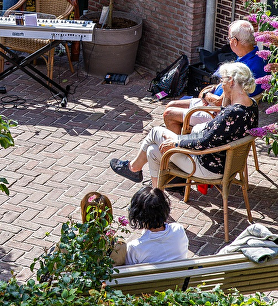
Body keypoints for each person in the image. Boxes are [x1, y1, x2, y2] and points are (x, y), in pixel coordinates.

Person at [109, 62, 259, 188]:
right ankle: (156, 197)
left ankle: (134, 168)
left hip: (207, 166)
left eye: (223, 80)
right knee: (153, 150)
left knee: (156, 132)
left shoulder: (232, 113)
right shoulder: (251, 105)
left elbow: (204, 141)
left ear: (231, 81)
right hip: (225, 163)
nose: (221, 84)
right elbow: (217, 132)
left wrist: (176, 142)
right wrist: (227, 97)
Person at [162, 20, 267, 134]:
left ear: (235, 41)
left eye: (229, 39)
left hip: (217, 113)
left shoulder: (243, 70)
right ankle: (182, 137)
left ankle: (179, 143)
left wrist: (205, 95)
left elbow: (220, 102)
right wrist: (212, 90)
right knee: (170, 105)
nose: (229, 42)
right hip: (215, 103)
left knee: (169, 114)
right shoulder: (256, 58)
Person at [124, 186, 189, 265]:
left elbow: (127, 270)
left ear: (138, 214)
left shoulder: (135, 248)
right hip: (182, 272)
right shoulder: (179, 229)